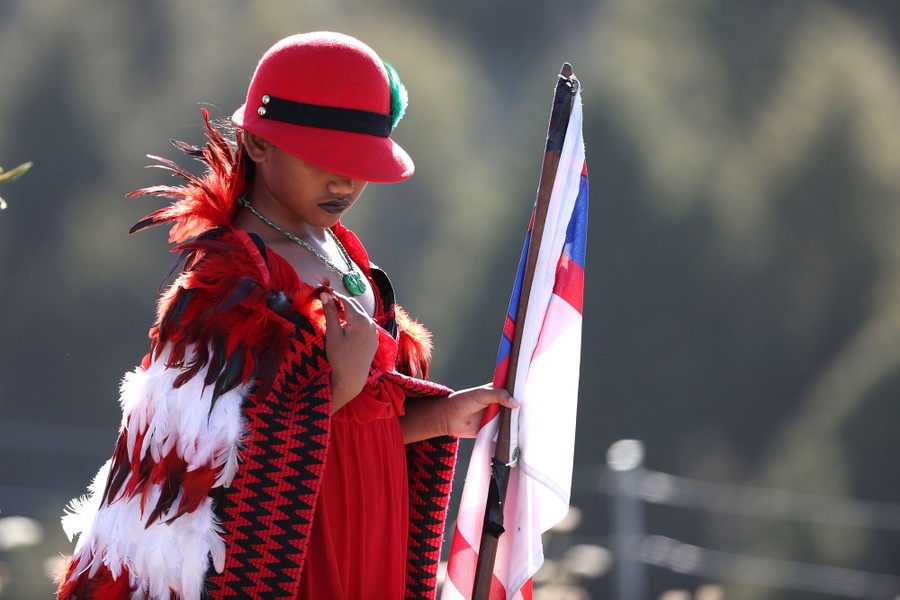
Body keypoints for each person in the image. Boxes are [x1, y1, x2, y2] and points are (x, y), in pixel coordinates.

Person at [56, 31, 514, 600]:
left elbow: (359, 430)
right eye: (325, 161)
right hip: (292, 554)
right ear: (255, 144)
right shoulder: (223, 288)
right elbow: (216, 470)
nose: (345, 181)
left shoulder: (347, 257)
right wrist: (340, 383)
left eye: (360, 163)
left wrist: (442, 417)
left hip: (373, 531)